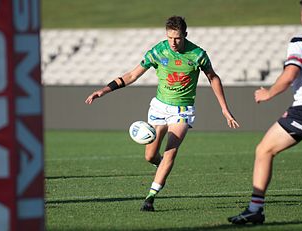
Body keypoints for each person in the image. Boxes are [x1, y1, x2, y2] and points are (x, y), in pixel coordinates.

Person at [85, 15, 239, 212]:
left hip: (182, 110)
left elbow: (213, 78)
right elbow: (132, 75)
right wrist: (104, 91)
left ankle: (150, 197)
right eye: (169, 38)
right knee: (150, 156)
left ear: (185, 34)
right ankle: (163, 167)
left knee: (170, 151)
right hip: (159, 107)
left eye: (177, 38)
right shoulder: (158, 51)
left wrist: (225, 109)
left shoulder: (198, 54)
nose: (173, 43)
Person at [228, 0, 302, 225]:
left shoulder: (301, 40)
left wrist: (268, 93)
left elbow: (291, 73)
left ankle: (255, 209)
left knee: (264, 150)